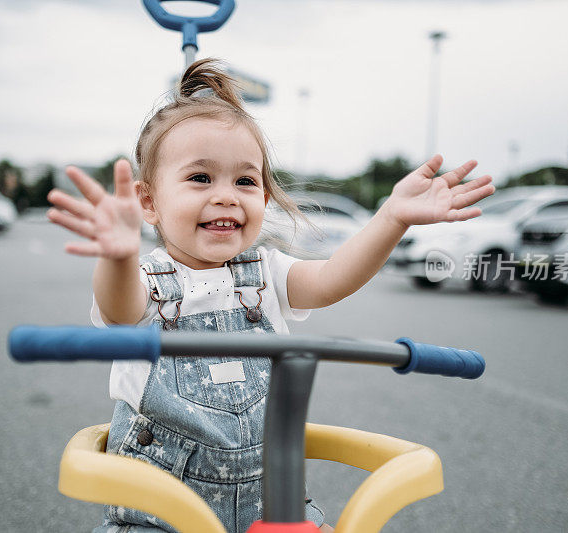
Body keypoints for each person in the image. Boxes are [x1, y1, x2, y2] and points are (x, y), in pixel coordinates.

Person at [47, 58, 494, 533]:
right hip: (158, 514)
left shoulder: (265, 275)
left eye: (245, 180)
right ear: (149, 202)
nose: (227, 196)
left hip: (273, 504)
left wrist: (393, 218)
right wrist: (118, 256)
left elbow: (332, 279)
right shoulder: (147, 282)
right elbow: (120, 311)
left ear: (263, 197)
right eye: (200, 178)